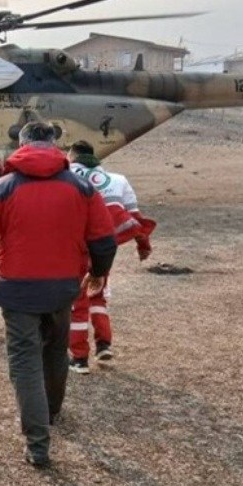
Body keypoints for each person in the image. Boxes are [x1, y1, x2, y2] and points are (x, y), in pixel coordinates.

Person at [0, 122, 116, 468]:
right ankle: (52, 412)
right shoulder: (82, 187)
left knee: (25, 362)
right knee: (56, 351)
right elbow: (103, 239)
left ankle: (38, 443)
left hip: (18, 291)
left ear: (22, 144)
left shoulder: (1, 188)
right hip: (62, 289)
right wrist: (98, 272)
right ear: (54, 144)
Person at [67, 140, 156, 373]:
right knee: (97, 292)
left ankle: (79, 358)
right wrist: (143, 245)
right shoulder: (118, 180)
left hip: (78, 245)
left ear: (72, 156)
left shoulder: (65, 176)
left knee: (78, 301)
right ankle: (103, 344)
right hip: (105, 246)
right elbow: (135, 215)